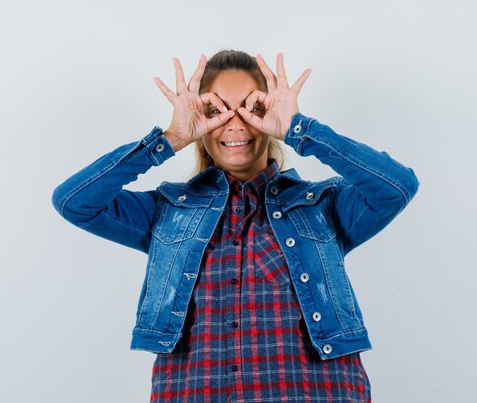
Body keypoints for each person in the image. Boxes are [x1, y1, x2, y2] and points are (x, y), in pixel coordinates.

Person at [52, 50, 419, 402]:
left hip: (315, 390)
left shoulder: (323, 206)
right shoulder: (165, 211)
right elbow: (74, 201)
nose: (236, 123)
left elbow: (397, 186)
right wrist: (169, 140)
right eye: (216, 110)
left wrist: (299, 129)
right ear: (200, 120)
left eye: (253, 107)